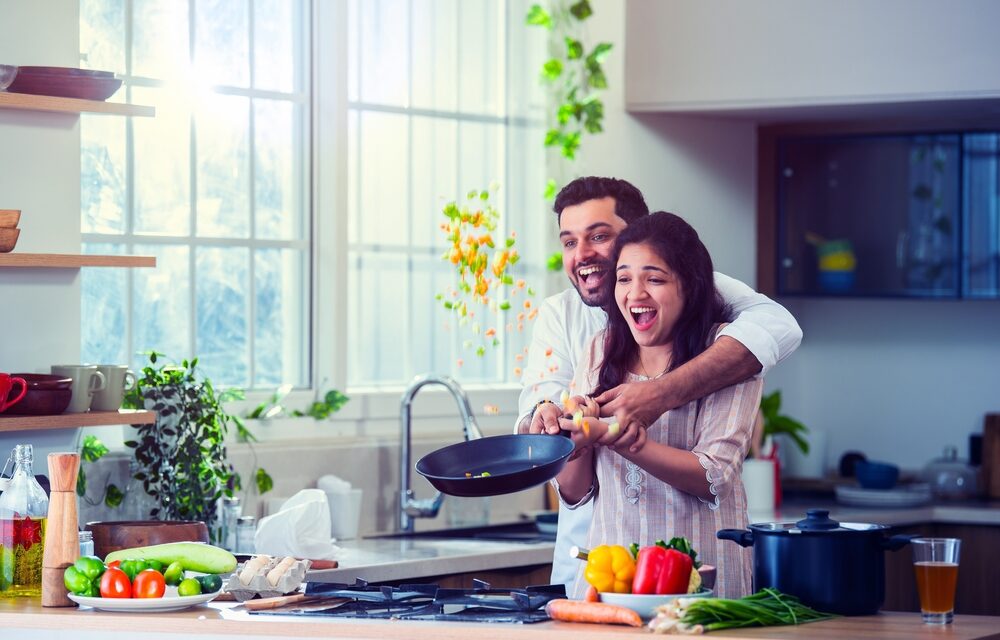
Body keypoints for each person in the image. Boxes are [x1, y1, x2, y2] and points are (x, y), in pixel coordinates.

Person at [516, 176, 802, 590]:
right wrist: (563, 430)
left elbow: (779, 329)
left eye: (599, 236)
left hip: (698, 578)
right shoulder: (581, 333)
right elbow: (556, 451)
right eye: (569, 241)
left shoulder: (725, 343)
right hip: (601, 571)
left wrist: (642, 410)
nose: (583, 255)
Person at [554, 211, 760, 599]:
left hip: (698, 584)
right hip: (610, 583)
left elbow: (713, 478)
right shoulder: (601, 348)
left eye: (654, 279)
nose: (635, 294)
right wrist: (574, 437)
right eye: (625, 278)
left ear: (690, 286)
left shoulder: (726, 353)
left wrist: (620, 437)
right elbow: (575, 492)